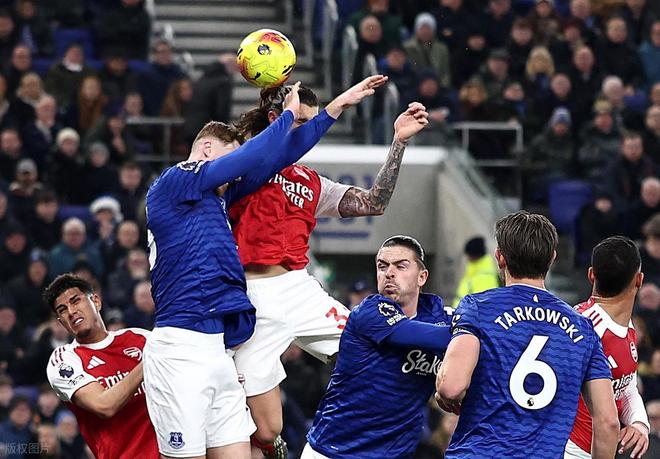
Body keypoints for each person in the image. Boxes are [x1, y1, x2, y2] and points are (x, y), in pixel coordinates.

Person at [144, 76, 387, 459]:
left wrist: (334, 109)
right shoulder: (176, 181)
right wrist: (287, 115)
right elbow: (250, 158)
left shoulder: (216, 199)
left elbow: (277, 156)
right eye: (229, 160)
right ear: (206, 149)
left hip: (216, 347)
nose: (235, 175)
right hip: (180, 345)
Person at [229, 86, 429, 457]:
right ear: (278, 119)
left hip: (300, 290)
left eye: (312, 122)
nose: (310, 132)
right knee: (268, 429)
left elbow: (373, 202)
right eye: (302, 122)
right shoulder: (245, 166)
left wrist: (399, 142)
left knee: (377, 351)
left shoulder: (312, 182)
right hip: (252, 296)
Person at [435, 211, 619, 458]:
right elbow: (608, 422)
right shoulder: (583, 329)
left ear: (500, 257)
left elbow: (451, 388)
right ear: (552, 258)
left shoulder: (478, 307)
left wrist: (441, 387)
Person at [303, 235, 452, 458]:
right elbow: (415, 334)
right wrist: (470, 330)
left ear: (422, 277)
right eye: (382, 266)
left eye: (400, 266)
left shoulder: (439, 316)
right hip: (334, 451)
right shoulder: (370, 311)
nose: (389, 273)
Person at [44, 274, 158, 458]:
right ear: (61, 322)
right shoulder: (64, 361)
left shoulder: (140, 338)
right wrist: (151, 359)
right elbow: (104, 405)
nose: (71, 312)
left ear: (96, 301)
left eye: (75, 301)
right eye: (62, 310)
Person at [566, 236, 650, 458]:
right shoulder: (584, 328)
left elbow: (626, 385)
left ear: (591, 274)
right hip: (569, 450)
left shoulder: (625, 325)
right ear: (639, 280)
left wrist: (639, 422)